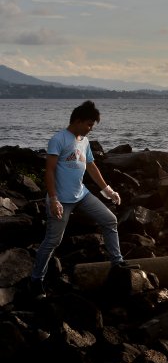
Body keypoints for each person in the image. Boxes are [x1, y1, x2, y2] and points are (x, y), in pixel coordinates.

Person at [30, 100, 138, 300]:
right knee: (53, 240)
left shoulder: (84, 141)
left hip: (82, 194)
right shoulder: (58, 139)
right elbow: (49, 171)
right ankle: (36, 280)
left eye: (92, 125)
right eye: (88, 124)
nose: (90, 129)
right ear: (78, 120)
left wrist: (108, 190)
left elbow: (91, 166)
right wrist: (53, 199)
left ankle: (117, 263)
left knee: (110, 220)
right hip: (61, 199)